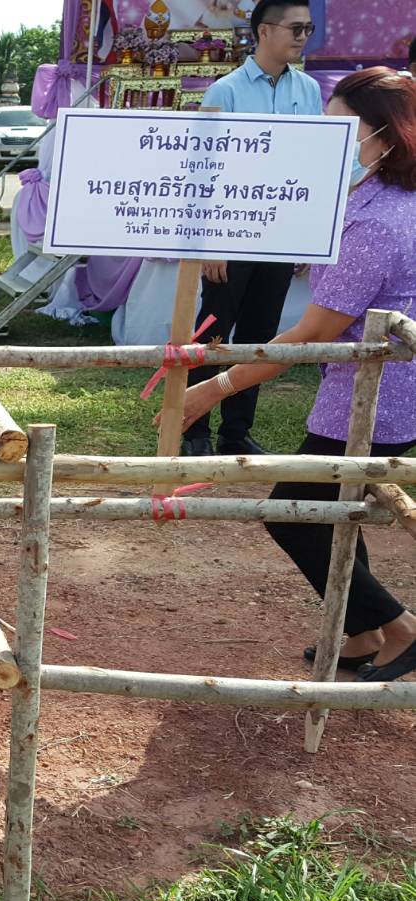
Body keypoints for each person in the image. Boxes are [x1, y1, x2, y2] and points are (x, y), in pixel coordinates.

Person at [172, 69, 416, 682]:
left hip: (375, 397)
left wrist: (215, 387)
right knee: (336, 510)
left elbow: (310, 334)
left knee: (294, 514)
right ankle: (358, 633)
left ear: (387, 139)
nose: (328, 147)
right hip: (376, 391)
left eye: (342, 133)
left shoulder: (375, 223)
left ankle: (401, 628)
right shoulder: (389, 204)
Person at [182, 0, 324, 458]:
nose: (304, 36)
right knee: (214, 333)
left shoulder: (309, 90)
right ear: (265, 31)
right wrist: (209, 243)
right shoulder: (226, 90)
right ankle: (194, 428)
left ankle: (236, 433)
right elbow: (203, 171)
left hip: (281, 235)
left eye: (309, 28)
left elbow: (310, 168)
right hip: (229, 235)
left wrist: (305, 234)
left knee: (263, 338)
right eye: (296, 28)